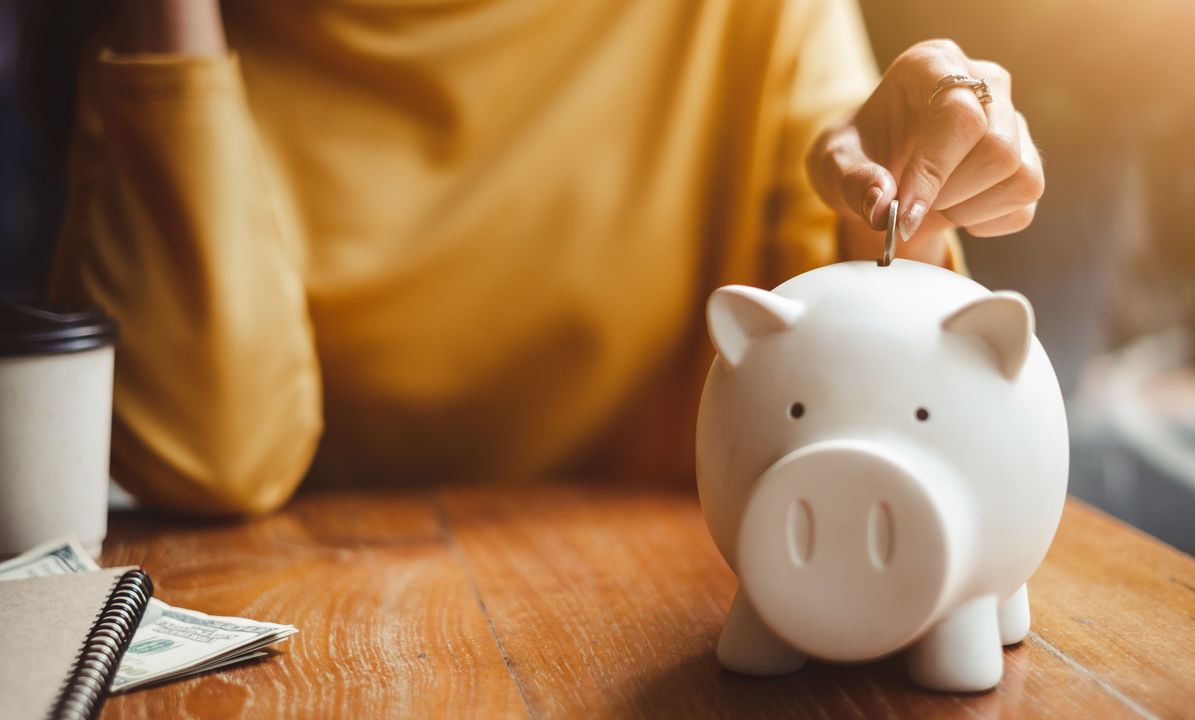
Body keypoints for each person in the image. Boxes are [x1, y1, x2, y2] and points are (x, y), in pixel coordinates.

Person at [26, 0, 1043, 515]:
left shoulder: (738, 16)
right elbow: (206, 460)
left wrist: (899, 184)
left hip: (675, 613)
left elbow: (875, 397)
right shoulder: (188, 46)